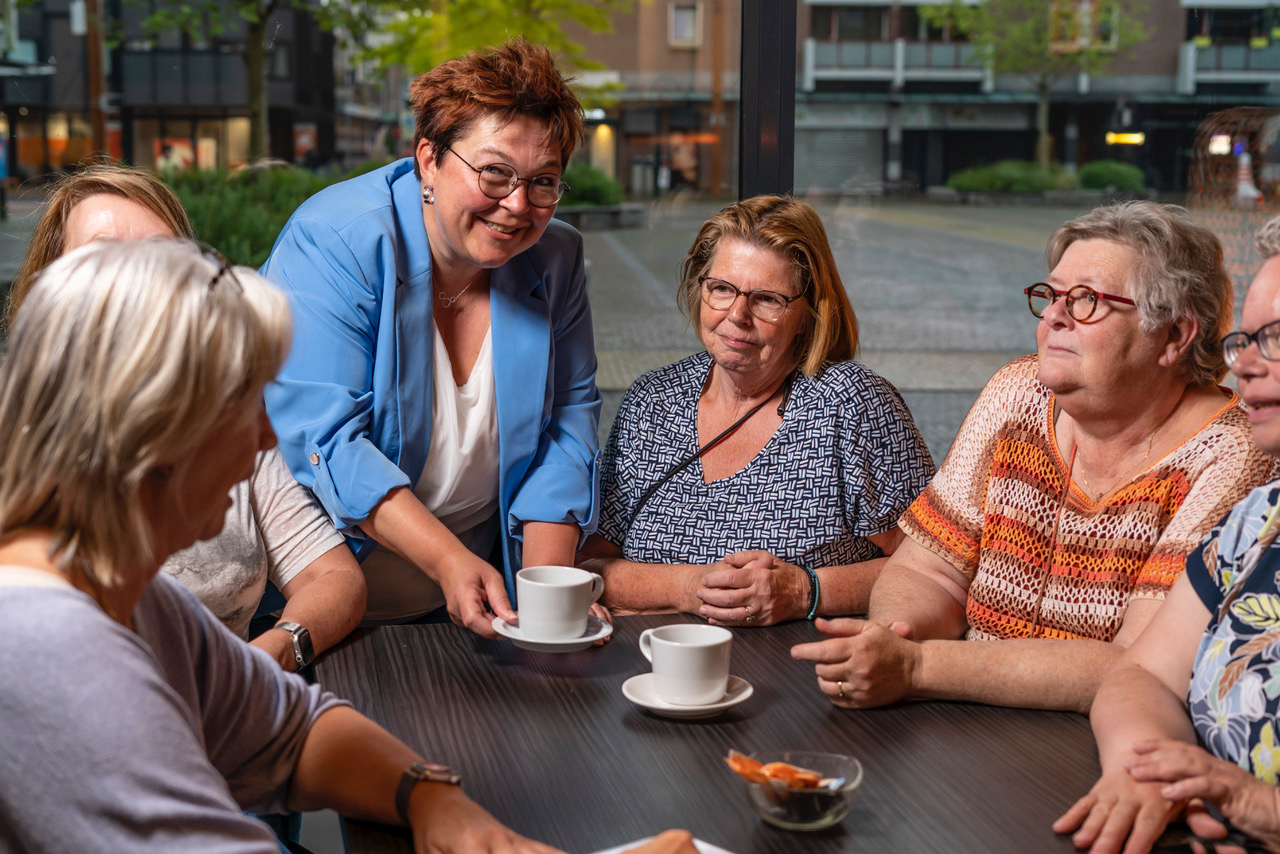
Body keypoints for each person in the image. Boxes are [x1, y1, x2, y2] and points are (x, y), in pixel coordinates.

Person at [0, 239, 559, 853]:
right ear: (154, 430)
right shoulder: (52, 648)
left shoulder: (132, 596)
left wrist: (428, 795)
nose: (268, 436)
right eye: (247, 406)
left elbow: (294, 728)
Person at [793, 201, 1276, 712]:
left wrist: (917, 666)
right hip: (957, 712)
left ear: (1174, 336)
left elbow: (1139, 666)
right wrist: (888, 642)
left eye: (1086, 300)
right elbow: (925, 572)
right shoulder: (1016, 392)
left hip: (1103, 737)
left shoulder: (1236, 450)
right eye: (1050, 295)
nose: (1052, 316)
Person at [262, 39, 601, 637]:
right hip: (334, 596)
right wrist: (448, 561)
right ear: (428, 159)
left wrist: (545, 597)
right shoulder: (336, 240)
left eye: (543, 181)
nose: (518, 205)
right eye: (494, 172)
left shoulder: (556, 257)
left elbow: (566, 427)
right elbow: (330, 442)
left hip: (489, 597)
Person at [5, 164, 366, 672]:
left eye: (161, 260)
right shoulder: (54, 611)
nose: (138, 287)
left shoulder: (171, 624)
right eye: (106, 260)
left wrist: (272, 655)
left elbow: (330, 577)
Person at [577, 195, 934, 626]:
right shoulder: (652, 402)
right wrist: (688, 587)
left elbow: (936, 567)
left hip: (803, 674)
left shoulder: (852, 405)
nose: (737, 315)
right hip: (657, 671)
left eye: (767, 299)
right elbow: (592, 566)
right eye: (722, 289)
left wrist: (805, 590)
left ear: (807, 312)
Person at [1054, 217, 1280, 854]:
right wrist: (1146, 770)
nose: (1247, 367)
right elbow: (1141, 677)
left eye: (1278, 339)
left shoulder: (1234, 464)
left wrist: (1249, 800)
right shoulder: (1261, 518)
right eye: (1247, 341)